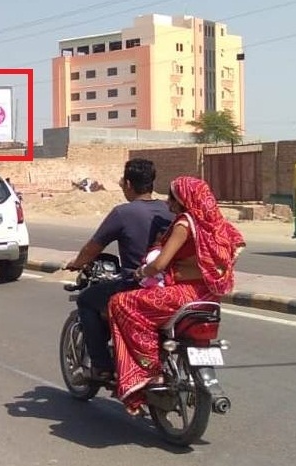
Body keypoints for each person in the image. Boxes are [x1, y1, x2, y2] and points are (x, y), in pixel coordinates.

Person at [108, 176, 245, 416]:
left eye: (172, 196)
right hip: (209, 296)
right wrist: (207, 270)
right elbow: (237, 246)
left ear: (184, 199)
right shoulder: (217, 224)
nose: (168, 201)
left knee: (121, 303)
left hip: (184, 295)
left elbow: (160, 264)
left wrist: (143, 271)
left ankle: (148, 371)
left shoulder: (185, 223)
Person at [64, 158, 174, 382]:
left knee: (86, 300)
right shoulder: (168, 210)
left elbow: (94, 246)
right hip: (170, 284)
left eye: (124, 183)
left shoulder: (123, 213)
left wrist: (77, 262)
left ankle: (102, 366)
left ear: (129, 185)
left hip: (135, 284)